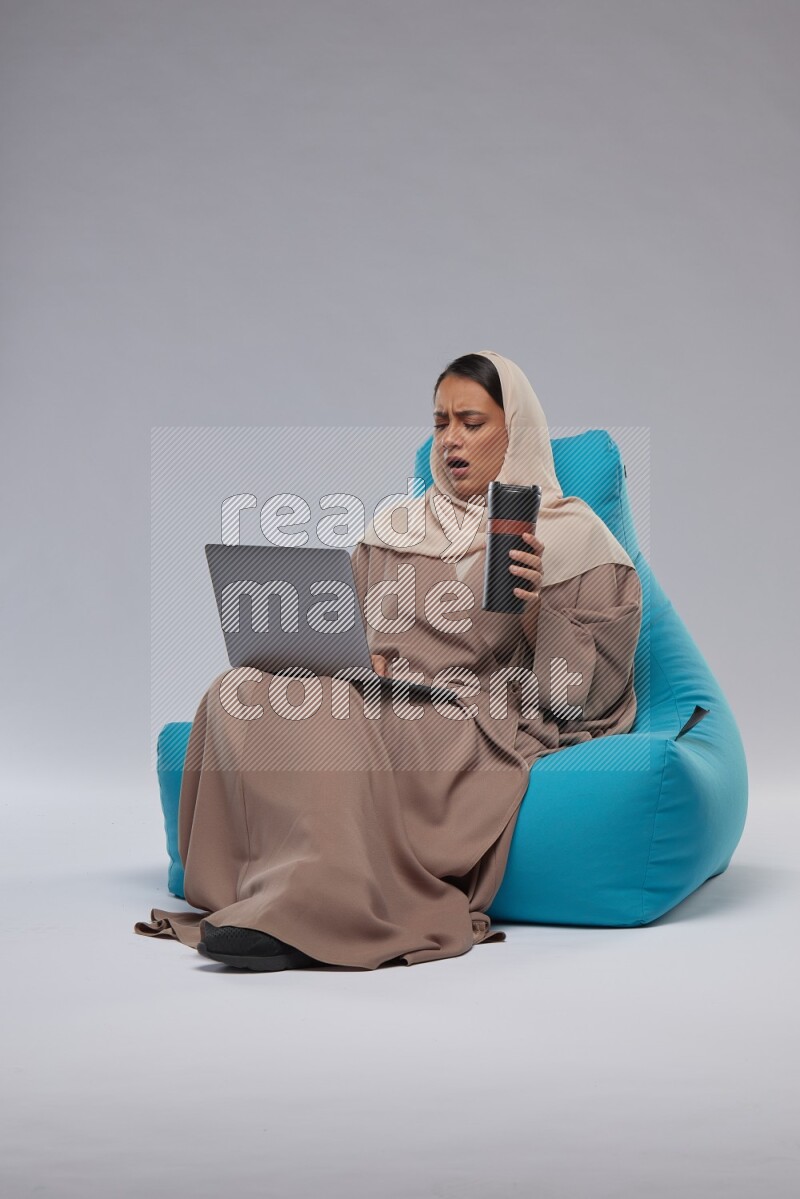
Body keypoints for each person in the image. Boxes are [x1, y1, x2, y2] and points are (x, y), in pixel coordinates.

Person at [134, 349, 642, 971]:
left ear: (517, 432)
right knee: (237, 688)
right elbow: (345, 629)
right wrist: (351, 653)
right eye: (440, 422)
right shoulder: (397, 526)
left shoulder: (572, 537)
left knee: (329, 712)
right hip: (378, 693)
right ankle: (263, 887)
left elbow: (584, 700)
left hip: (473, 716)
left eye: (472, 423)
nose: (452, 440)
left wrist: (538, 612)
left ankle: (314, 909)